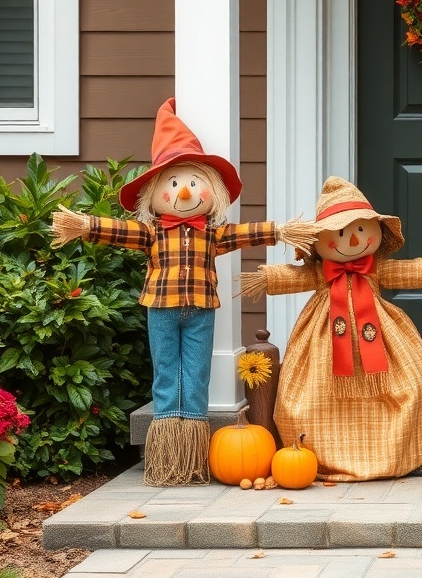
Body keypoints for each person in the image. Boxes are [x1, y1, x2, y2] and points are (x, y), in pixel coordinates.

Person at [51, 98, 315, 486]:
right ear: (155, 193)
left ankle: (189, 450)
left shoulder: (213, 232)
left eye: (194, 183)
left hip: (202, 309)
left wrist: (279, 231)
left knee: (196, 373)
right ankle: (166, 449)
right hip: (160, 307)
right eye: (174, 184)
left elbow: (246, 233)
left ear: (211, 192)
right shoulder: (152, 231)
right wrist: (84, 224)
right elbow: (116, 230)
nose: (186, 192)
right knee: (165, 374)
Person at [240, 177, 422, 481]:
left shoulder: (376, 268)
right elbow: (291, 276)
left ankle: (389, 451)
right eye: (341, 233)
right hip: (324, 336)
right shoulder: (320, 273)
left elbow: (403, 271)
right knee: (315, 388)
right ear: (317, 242)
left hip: (379, 334)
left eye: (359, 229)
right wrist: (265, 278)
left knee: (409, 383)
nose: (353, 240)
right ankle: (321, 452)